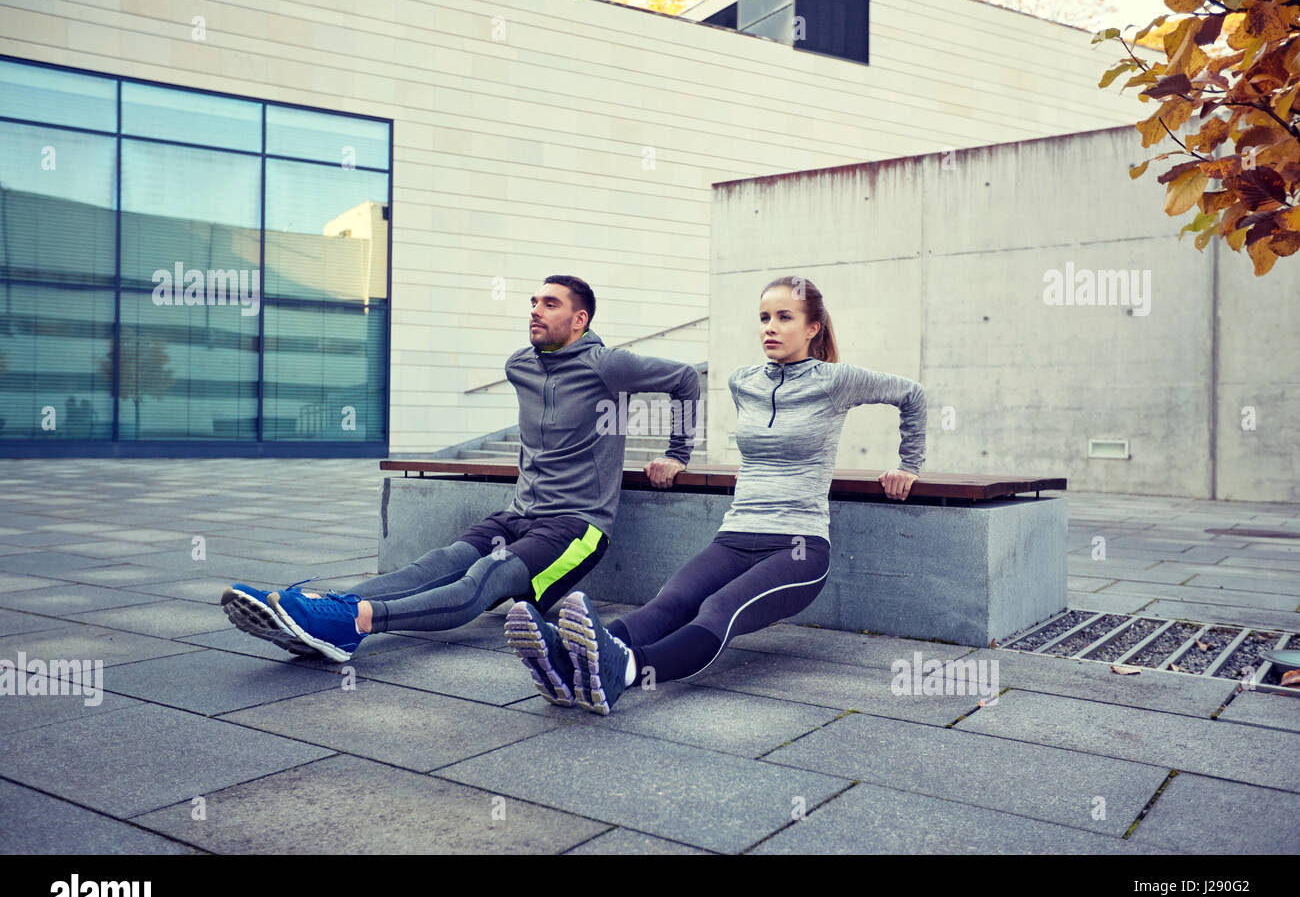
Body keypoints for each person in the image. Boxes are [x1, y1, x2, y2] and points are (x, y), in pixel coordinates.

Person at [220, 274, 700, 663]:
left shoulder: (607, 364)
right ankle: (325, 611)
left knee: (481, 582)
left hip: (575, 527)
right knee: (437, 562)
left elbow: (683, 379)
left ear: (580, 319)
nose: (534, 309)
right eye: (533, 301)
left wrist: (678, 453)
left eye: (549, 304)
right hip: (519, 513)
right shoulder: (521, 365)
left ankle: (355, 622)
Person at [504, 275, 927, 715]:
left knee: (717, 609)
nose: (770, 327)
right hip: (734, 536)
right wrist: (678, 455)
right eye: (764, 318)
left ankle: (624, 670)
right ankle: (571, 662)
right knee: (670, 602)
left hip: (798, 547)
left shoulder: (837, 381)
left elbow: (911, 395)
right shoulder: (745, 381)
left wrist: (907, 465)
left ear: (812, 328)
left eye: (785, 318)